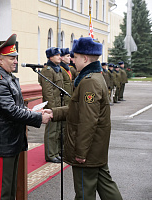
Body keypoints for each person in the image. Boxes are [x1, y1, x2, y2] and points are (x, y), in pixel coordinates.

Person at [45, 37, 123, 200]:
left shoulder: (89, 82)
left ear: (85, 58)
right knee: (106, 186)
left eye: (76, 56)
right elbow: (78, 109)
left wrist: (80, 152)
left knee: (84, 193)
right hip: (95, 148)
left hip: (88, 150)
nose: (72, 59)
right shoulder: (93, 77)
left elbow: (88, 120)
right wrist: (54, 113)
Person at [0, 34, 52, 200]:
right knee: (2, 189)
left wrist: (35, 113)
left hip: (11, 139)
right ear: (0, 60)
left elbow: (16, 106)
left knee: (11, 186)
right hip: (2, 141)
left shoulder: (7, 77)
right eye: (12, 58)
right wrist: (37, 118)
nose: (15, 61)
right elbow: (11, 110)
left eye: (15, 57)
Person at [39, 47, 63, 163]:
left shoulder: (57, 69)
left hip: (58, 104)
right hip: (52, 106)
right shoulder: (48, 70)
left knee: (57, 130)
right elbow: (47, 91)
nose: (60, 56)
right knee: (51, 131)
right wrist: (52, 108)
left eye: (60, 54)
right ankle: (50, 154)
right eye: (57, 55)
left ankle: (56, 152)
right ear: (50, 57)